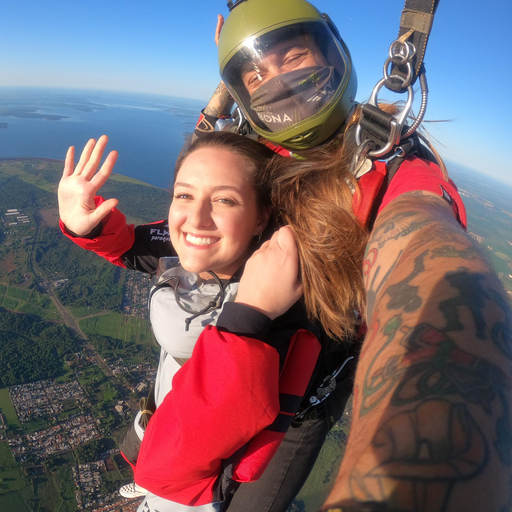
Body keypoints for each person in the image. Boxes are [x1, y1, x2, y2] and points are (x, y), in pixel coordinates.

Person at [189, 1, 512, 511]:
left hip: (296, 407)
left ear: (332, 53)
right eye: (256, 75)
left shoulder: (390, 164)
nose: (275, 81)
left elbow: (423, 248)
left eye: (293, 57)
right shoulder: (257, 149)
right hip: (229, 361)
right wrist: (231, 76)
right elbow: (203, 163)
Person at [57, 131, 369, 511]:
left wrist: (250, 315)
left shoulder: (287, 302)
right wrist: (84, 226)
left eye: (224, 200)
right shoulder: (204, 241)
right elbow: (132, 246)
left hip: (243, 450)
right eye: (184, 195)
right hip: (176, 402)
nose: (196, 219)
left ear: (261, 219)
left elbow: (175, 461)